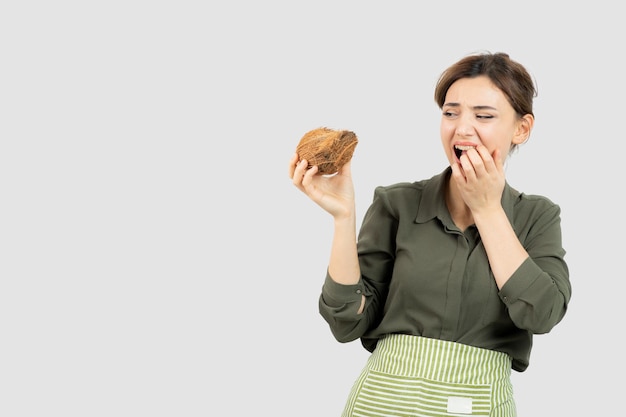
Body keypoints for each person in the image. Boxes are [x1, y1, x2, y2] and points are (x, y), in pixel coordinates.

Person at [288, 51, 572, 417]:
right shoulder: (398, 203)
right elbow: (347, 321)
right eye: (450, 113)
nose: (462, 128)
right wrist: (343, 218)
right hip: (381, 403)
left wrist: (487, 210)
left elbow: (543, 313)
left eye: (483, 116)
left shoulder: (537, 216)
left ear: (522, 128)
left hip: (477, 405)